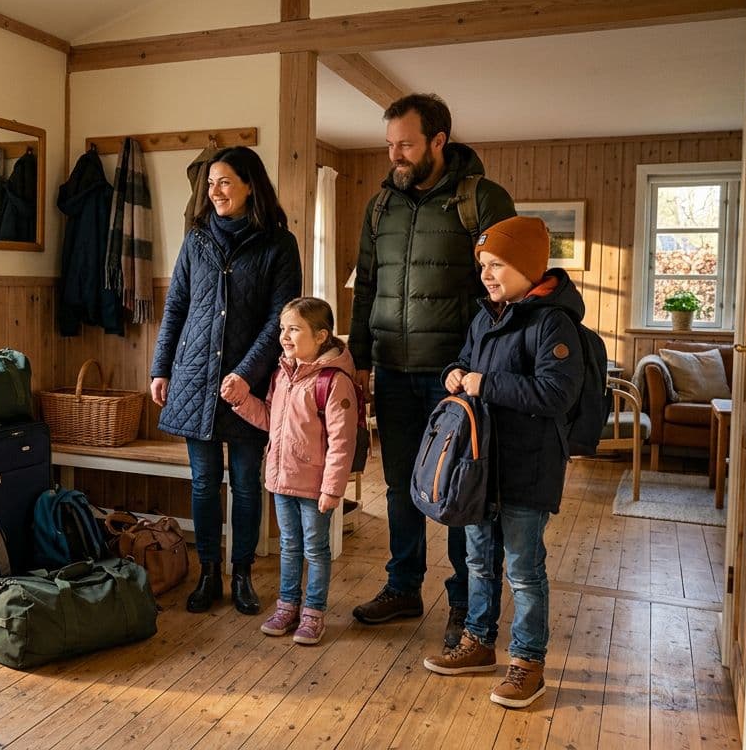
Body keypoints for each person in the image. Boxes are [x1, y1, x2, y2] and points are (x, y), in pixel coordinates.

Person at [348, 93, 517, 649]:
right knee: (399, 485)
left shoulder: (482, 199)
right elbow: (367, 288)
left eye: (406, 144)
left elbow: (506, 289)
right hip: (393, 371)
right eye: (390, 144)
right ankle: (403, 586)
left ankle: (467, 604)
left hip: (455, 377)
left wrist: (483, 367)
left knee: (460, 490)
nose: (394, 154)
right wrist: (361, 363)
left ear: (438, 141)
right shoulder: (381, 207)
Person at [420, 216, 584, 709]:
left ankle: (528, 663)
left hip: (528, 468)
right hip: (479, 466)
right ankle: (477, 643)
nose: (488, 274)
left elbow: (557, 391)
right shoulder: (486, 316)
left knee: (523, 569)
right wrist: (453, 374)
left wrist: (483, 383)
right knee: (477, 559)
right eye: (484, 265)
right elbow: (464, 360)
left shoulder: (552, 321)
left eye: (498, 265)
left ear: (529, 266)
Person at [150, 146, 303, 615]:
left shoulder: (279, 243)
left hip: (247, 383)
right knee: (202, 484)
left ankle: (242, 576)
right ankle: (208, 575)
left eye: (224, 182)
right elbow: (176, 305)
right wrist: (161, 367)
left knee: (245, 483)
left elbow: (280, 320)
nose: (214, 192)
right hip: (195, 377)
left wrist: (246, 374)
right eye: (210, 184)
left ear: (249, 185)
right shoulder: (196, 239)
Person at [222, 297, 360, 645]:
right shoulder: (282, 374)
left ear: (321, 336)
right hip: (282, 480)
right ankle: (287, 605)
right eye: (283, 328)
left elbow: (342, 442)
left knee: (315, 548)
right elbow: (271, 420)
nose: (284, 336)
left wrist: (332, 489)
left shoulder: (333, 382)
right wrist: (241, 400)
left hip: (314, 487)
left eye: (294, 329)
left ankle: (313, 612)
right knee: (288, 545)